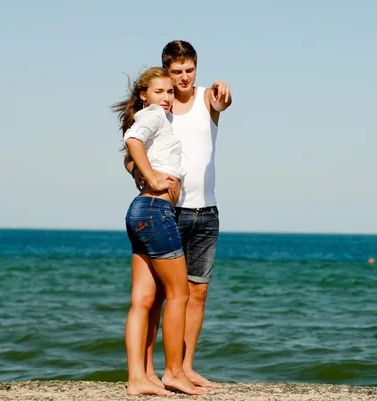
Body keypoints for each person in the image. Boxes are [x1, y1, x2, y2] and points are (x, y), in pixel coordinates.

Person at [125, 40, 232, 388]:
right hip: (169, 211)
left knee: (196, 293)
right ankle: (150, 372)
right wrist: (138, 171)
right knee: (159, 296)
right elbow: (131, 150)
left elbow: (222, 102)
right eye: (176, 72)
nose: (183, 78)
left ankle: (184, 367)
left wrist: (223, 96)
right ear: (165, 73)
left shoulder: (206, 98)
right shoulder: (160, 104)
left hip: (207, 209)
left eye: (189, 71)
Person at [113, 67, 203, 396]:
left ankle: (138, 378)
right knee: (180, 295)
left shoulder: (157, 119)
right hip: (155, 211)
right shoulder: (152, 116)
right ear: (144, 95)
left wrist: (139, 170)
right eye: (158, 92)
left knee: (143, 300)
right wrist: (152, 178)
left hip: (140, 212)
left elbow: (132, 153)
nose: (165, 98)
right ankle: (175, 373)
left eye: (169, 92)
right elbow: (132, 139)